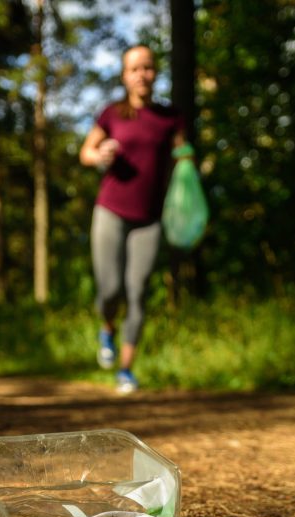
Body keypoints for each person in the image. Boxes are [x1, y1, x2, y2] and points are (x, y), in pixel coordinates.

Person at [79, 45, 188, 394]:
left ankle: (126, 370)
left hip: (150, 219)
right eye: (135, 69)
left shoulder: (170, 118)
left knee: (137, 291)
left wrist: (187, 168)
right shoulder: (112, 114)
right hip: (110, 210)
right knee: (110, 289)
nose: (142, 74)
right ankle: (107, 327)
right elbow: (86, 152)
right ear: (125, 76)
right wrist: (101, 154)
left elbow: (182, 156)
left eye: (148, 67)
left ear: (155, 73)